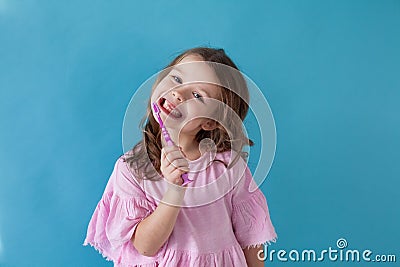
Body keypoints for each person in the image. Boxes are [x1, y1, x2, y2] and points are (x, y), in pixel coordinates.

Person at [83, 47, 277, 266]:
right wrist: (174, 192)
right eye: (176, 78)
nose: (178, 93)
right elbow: (146, 247)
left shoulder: (228, 166)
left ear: (210, 122)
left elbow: (251, 238)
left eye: (197, 95)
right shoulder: (131, 169)